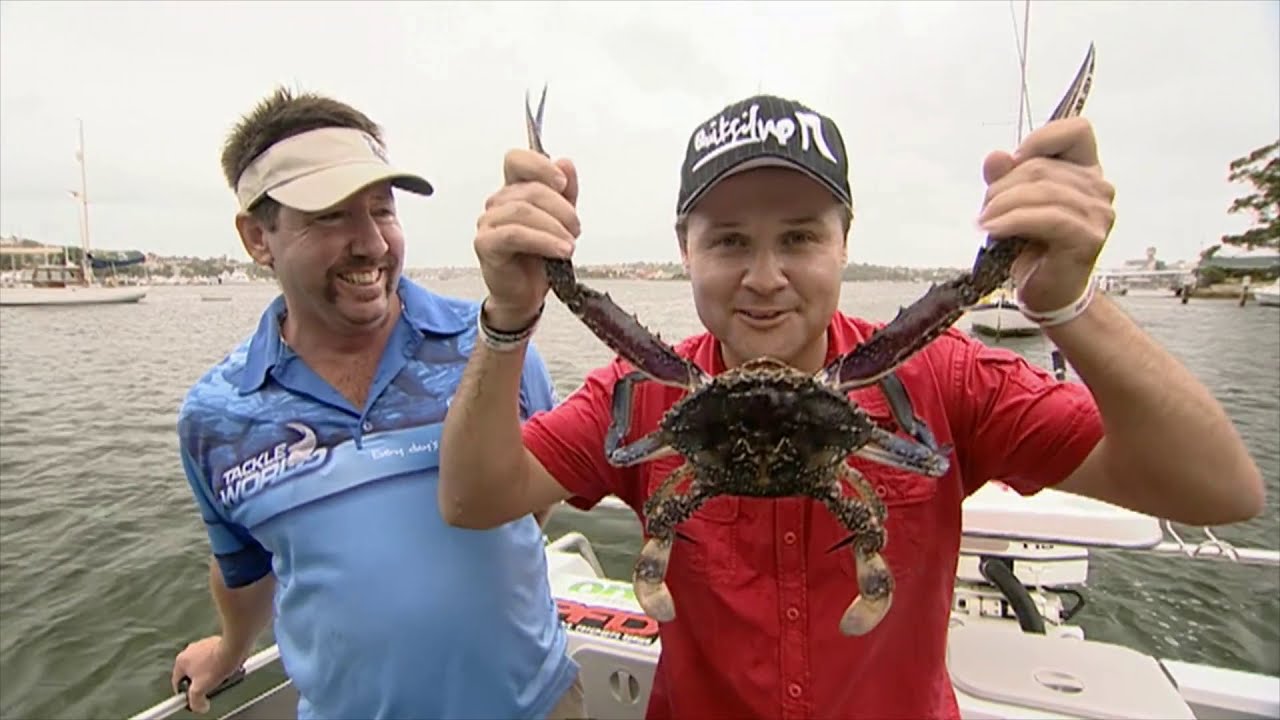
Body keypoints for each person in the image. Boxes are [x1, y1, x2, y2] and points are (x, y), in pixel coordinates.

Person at [440, 87, 1266, 720]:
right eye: (729, 240)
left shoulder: (940, 376)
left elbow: (1218, 492)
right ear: (684, 249)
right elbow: (474, 500)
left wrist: (1066, 302)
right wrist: (511, 317)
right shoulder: (641, 390)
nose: (765, 277)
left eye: (799, 236)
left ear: (844, 242)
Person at [171, 87, 583, 720]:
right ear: (258, 237)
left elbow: (533, 502)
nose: (370, 242)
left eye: (382, 210)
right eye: (330, 215)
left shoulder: (496, 347)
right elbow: (245, 568)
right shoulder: (218, 416)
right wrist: (230, 651)